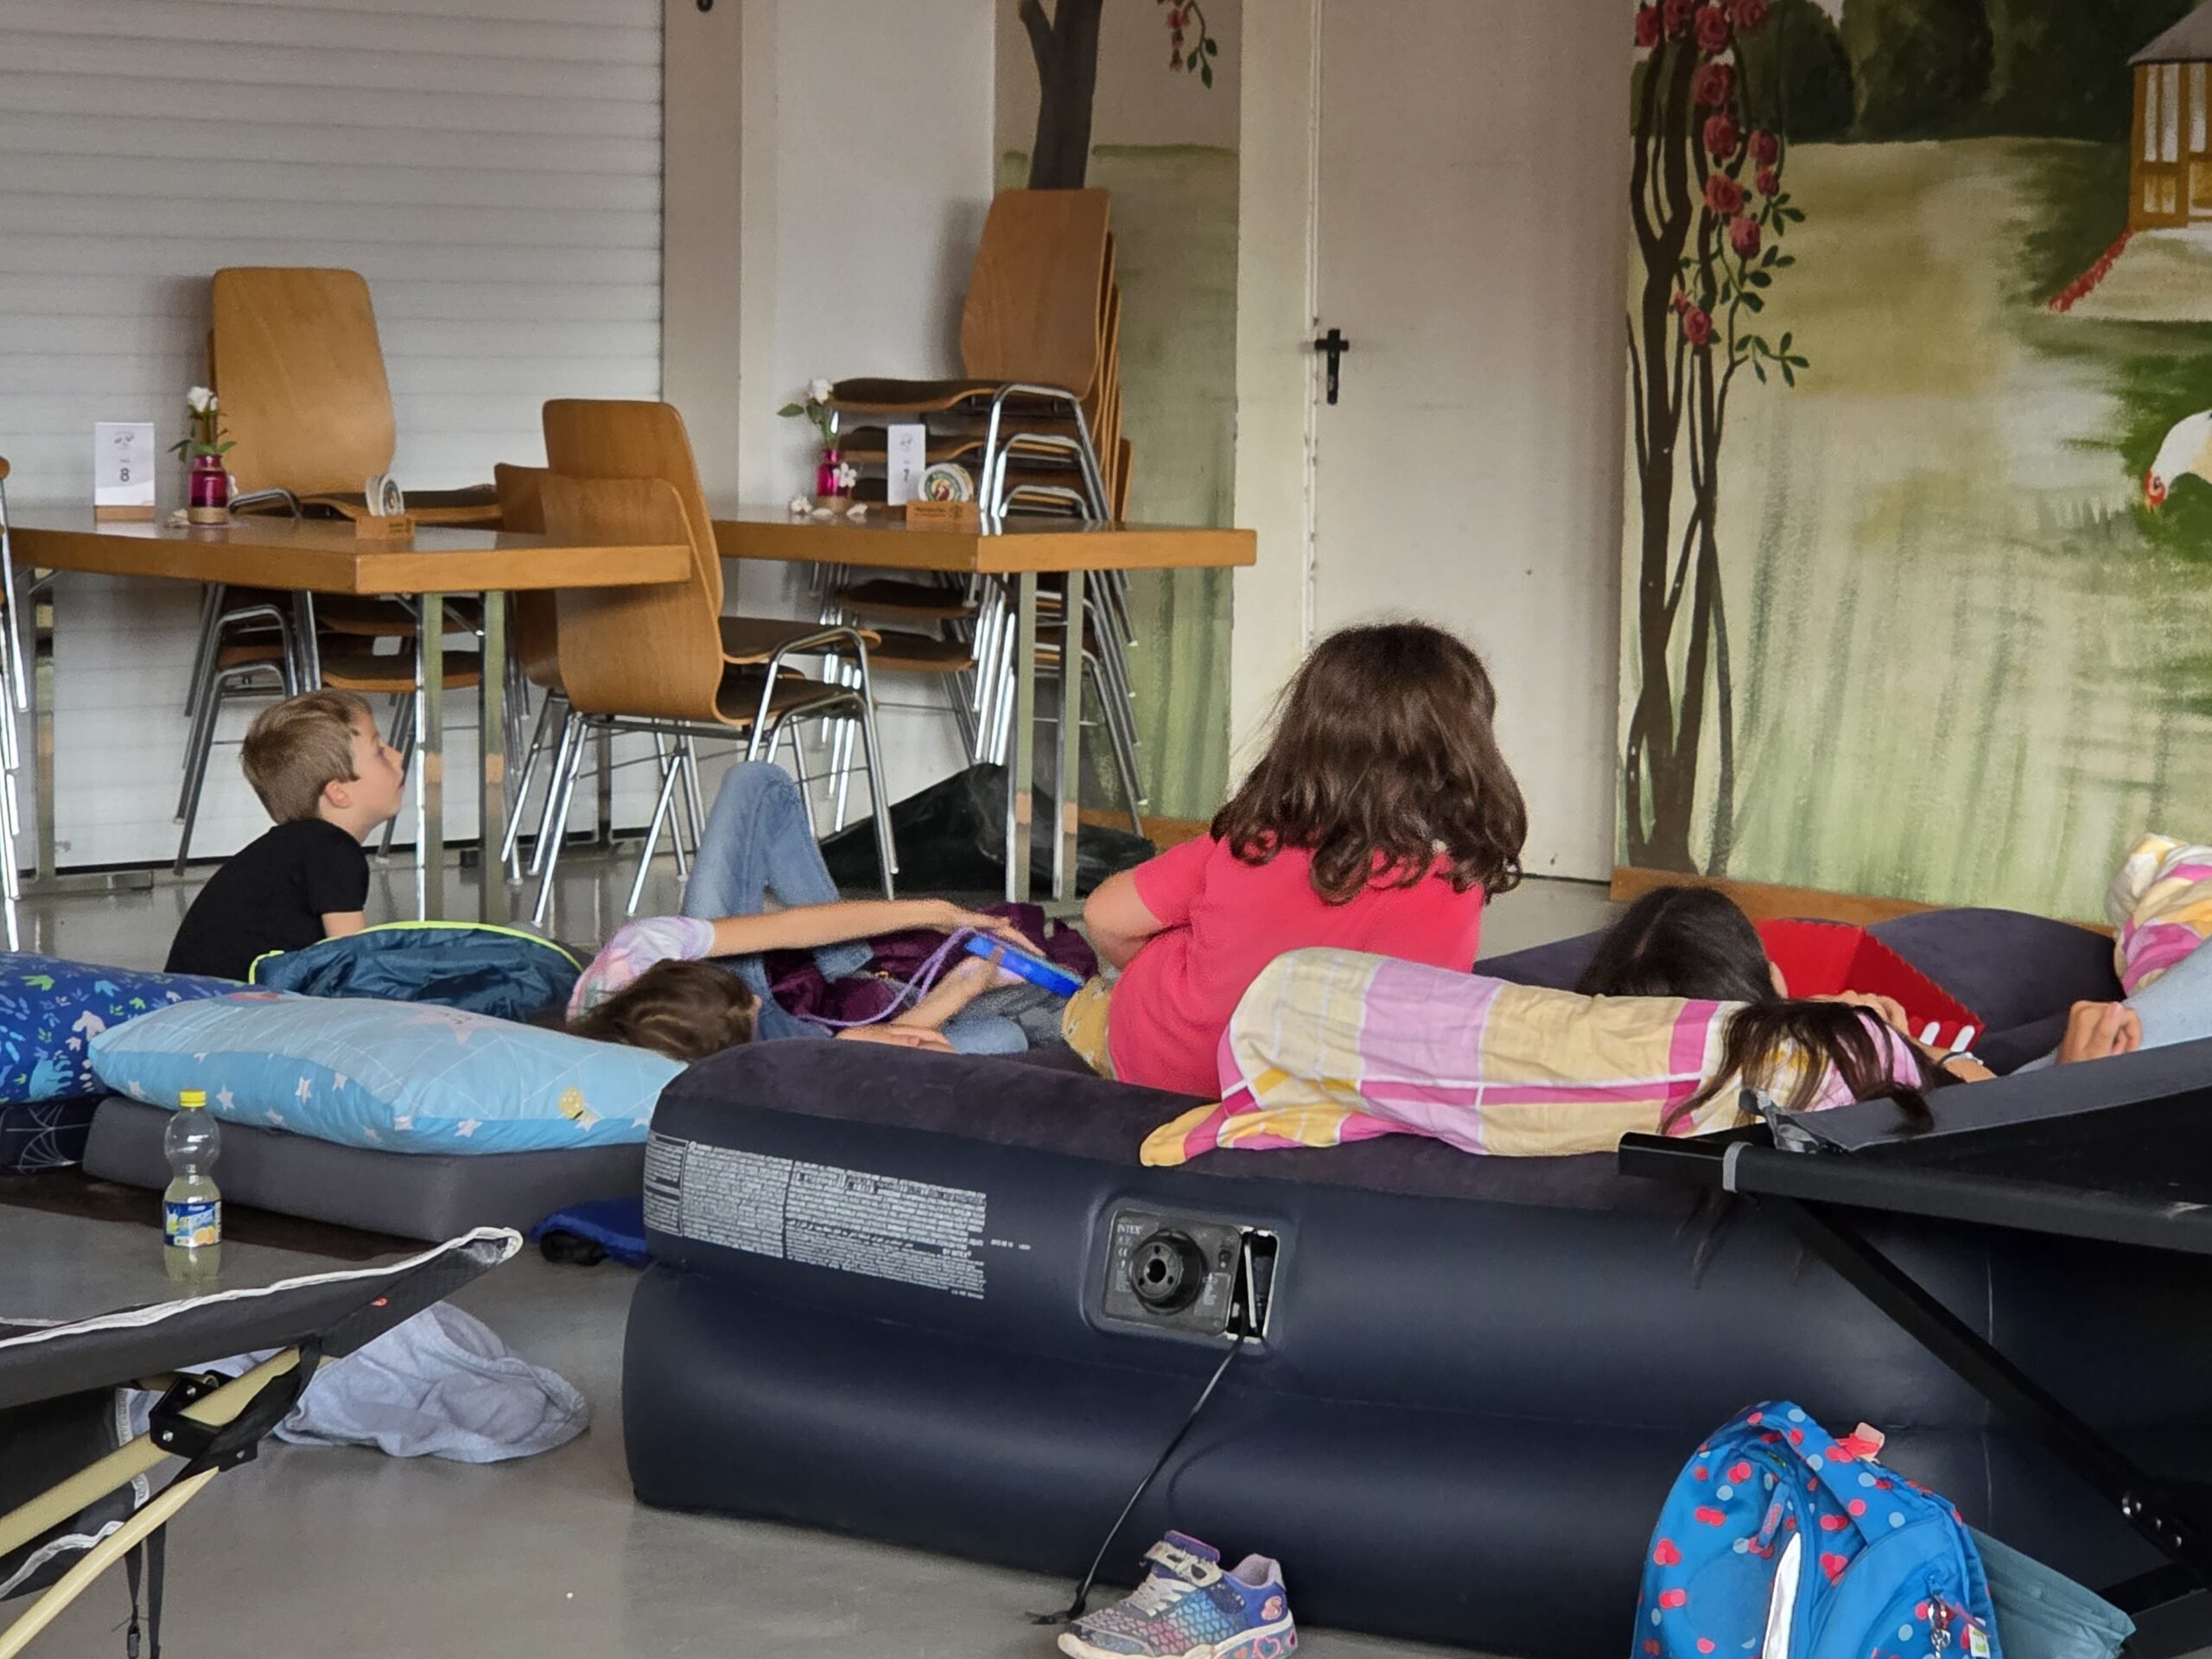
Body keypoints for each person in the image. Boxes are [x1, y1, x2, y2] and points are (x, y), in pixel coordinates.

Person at [1071, 620, 1529, 1096]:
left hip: (1152, 1061)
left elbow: (1104, 917)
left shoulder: (1251, 842)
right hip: (1288, 1095)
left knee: (1167, 938)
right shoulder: (1449, 886)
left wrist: (1171, 985)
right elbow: (1415, 1036)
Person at [565, 760, 1034, 1062]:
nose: (757, 998)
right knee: (1003, 1038)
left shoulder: (640, 949)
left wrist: (936, 912)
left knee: (756, 781)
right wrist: (956, 991)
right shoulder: (725, 1081)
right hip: (761, 1052)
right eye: (750, 1009)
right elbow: (842, 1059)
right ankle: (847, 1002)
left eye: (744, 994)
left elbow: (791, 928)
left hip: (709, 1012)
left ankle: (846, 962)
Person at [1574, 887, 2145, 1111]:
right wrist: (1912, 1047)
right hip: (2013, 1100)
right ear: (1767, 978)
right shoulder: (1843, 1060)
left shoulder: (1619, 1078)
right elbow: (1985, 1110)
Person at [165, 690, 406, 982]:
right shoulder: (331, 850)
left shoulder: (298, 847)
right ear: (338, 792)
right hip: (224, 1003)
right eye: (379, 750)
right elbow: (353, 967)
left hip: (193, 995)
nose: (398, 756)